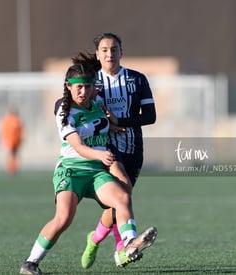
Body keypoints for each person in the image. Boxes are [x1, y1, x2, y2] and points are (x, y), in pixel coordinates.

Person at [19, 55, 157, 275]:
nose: (83, 92)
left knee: (122, 197)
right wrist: (100, 155)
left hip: (96, 172)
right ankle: (30, 263)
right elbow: (79, 146)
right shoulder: (64, 111)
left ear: (95, 87)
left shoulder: (98, 102)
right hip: (72, 170)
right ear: (68, 87)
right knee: (64, 218)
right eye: (79, 87)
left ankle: (130, 243)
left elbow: (99, 122)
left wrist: (111, 128)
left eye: (88, 87)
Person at [81, 32, 157, 268]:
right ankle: (125, 247)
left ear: (121, 52)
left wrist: (119, 120)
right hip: (106, 147)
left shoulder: (137, 79)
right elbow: (79, 110)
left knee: (118, 203)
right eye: (104, 50)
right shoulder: (91, 82)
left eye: (114, 49)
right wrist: (105, 125)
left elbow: (151, 117)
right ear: (97, 54)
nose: (109, 54)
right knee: (123, 192)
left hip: (134, 148)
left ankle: (93, 240)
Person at [0, 108, 24, 175]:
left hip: (14, 140)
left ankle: (13, 168)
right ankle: (11, 169)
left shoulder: (15, 120)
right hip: (11, 140)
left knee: (13, 155)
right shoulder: (11, 120)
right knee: (11, 155)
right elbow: (5, 130)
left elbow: (20, 130)